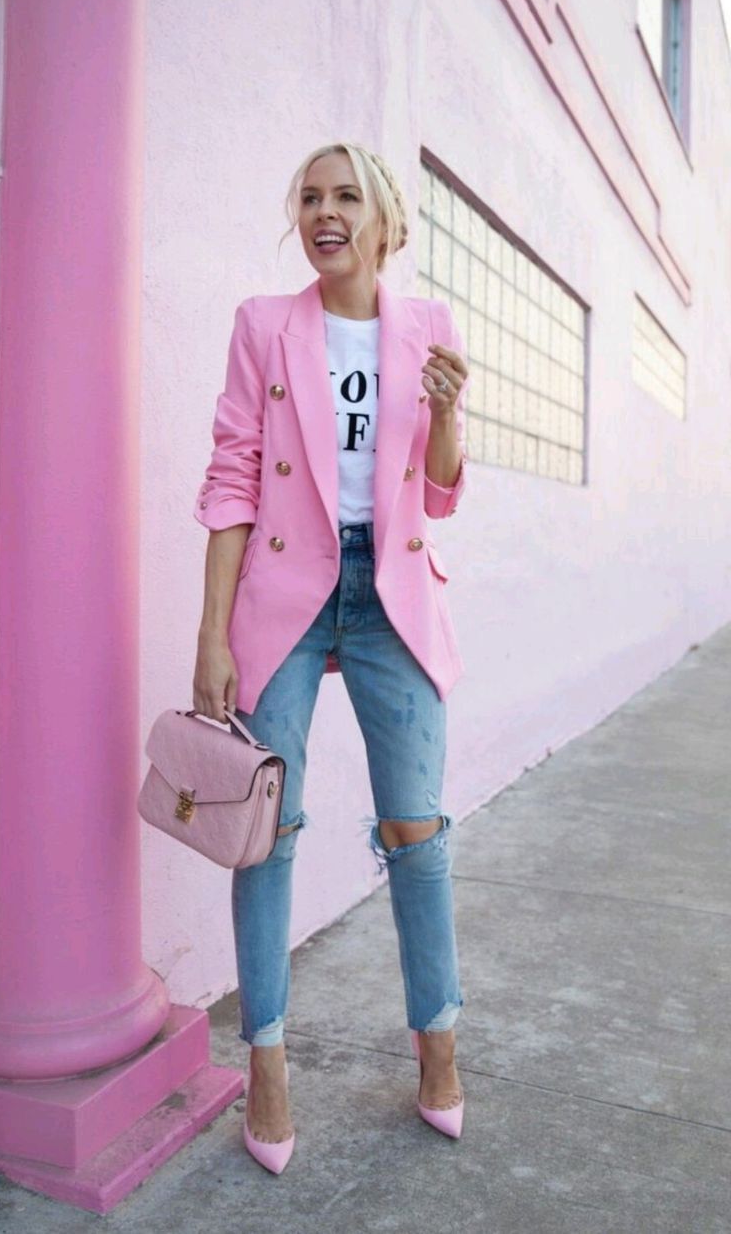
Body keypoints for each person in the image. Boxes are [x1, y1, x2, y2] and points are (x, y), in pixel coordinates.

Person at [192, 141, 470, 1173]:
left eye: (345, 195)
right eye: (308, 196)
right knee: (267, 827)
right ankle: (265, 1064)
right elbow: (230, 482)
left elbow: (438, 491)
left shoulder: (427, 327)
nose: (324, 211)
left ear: (382, 220)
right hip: (285, 591)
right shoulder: (265, 326)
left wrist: (450, 411)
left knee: (417, 824)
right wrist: (211, 635)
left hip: (391, 590)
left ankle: (437, 1048)